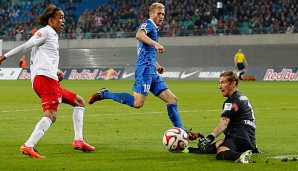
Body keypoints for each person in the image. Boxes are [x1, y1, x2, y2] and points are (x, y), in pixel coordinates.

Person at [0, 4, 95, 158]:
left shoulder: (52, 35)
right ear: (51, 20)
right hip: (44, 80)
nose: (63, 21)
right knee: (51, 115)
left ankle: (78, 140)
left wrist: (56, 71)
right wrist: (4, 57)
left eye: (64, 18)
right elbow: (25, 46)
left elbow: (42, 58)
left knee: (79, 101)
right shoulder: (45, 32)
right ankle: (28, 145)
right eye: (60, 18)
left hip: (49, 79)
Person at [88, 2, 184, 130]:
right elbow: (139, 34)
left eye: (163, 14)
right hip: (144, 69)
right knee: (137, 103)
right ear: (151, 14)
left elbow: (143, 52)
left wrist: (157, 66)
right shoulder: (148, 25)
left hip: (151, 69)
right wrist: (156, 44)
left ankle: (182, 132)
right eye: (159, 13)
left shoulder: (153, 29)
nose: (161, 16)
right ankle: (105, 94)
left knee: (172, 100)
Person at [183, 71, 258, 164]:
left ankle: (241, 157)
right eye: (219, 83)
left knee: (221, 151)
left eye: (223, 82)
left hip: (238, 136)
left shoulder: (231, 101)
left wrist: (209, 138)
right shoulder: (242, 97)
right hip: (248, 139)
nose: (219, 86)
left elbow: (224, 123)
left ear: (233, 83)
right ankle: (189, 150)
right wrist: (254, 146)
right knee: (216, 145)